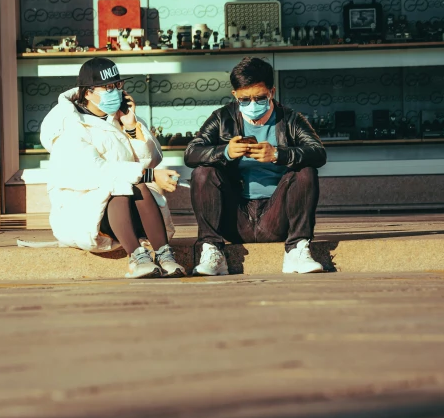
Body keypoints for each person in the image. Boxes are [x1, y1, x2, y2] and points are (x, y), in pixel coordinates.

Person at [40, 57, 186, 278]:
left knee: (138, 187)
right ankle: (137, 257)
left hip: (128, 210)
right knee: (124, 188)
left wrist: (131, 126)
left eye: (118, 85)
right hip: (84, 211)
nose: (115, 91)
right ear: (87, 93)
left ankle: (165, 256)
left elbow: (151, 160)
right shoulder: (69, 124)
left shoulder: (120, 116)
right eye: (107, 87)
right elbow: (95, 171)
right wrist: (149, 175)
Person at [184, 57, 327, 276]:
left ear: (272, 92)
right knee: (202, 172)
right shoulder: (222, 118)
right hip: (236, 216)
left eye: (260, 98)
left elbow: (318, 153)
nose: (252, 105)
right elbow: (191, 153)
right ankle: (212, 249)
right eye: (244, 100)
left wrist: (279, 154)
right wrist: (225, 152)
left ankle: (297, 249)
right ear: (235, 96)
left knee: (306, 170)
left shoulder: (290, 119)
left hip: (278, 216)